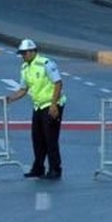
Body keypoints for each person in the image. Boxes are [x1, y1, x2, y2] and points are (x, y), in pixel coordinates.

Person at [6, 39, 66, 180]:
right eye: (21, 54)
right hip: (38, 106)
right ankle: (38, 168)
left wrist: (53, 105)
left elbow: (58, 83)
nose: (23, 56)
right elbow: (23, 89)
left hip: (51, 105)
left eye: (25, 53)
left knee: (50, 139)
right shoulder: (25, 68)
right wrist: (8, 99)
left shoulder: (46, 63)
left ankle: (55, 169)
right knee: (37, 138)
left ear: (33, 51)